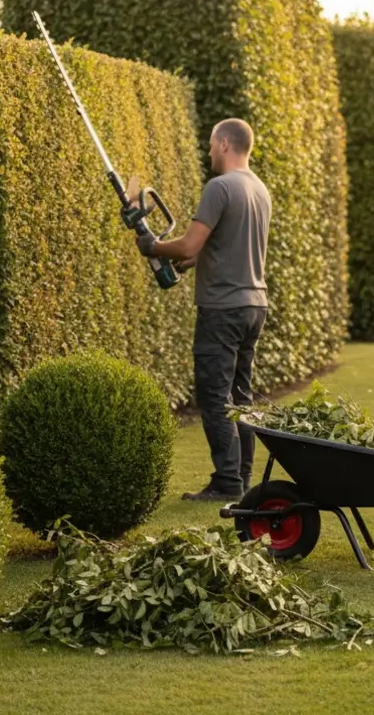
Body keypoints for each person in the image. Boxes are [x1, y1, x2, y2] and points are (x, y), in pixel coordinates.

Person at [133, 118, 271, 501]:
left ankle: (227, 483)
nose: (209, 151)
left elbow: (189, 245)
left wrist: (153, 247)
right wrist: (185, 262)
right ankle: (241, 478)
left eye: (212, 144)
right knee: (241, 397)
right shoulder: (258, 189)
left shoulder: (220, 187)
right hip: (254, 306)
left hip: (222, 309)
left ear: (225, 144)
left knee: (215, 398)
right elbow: (217, 248)